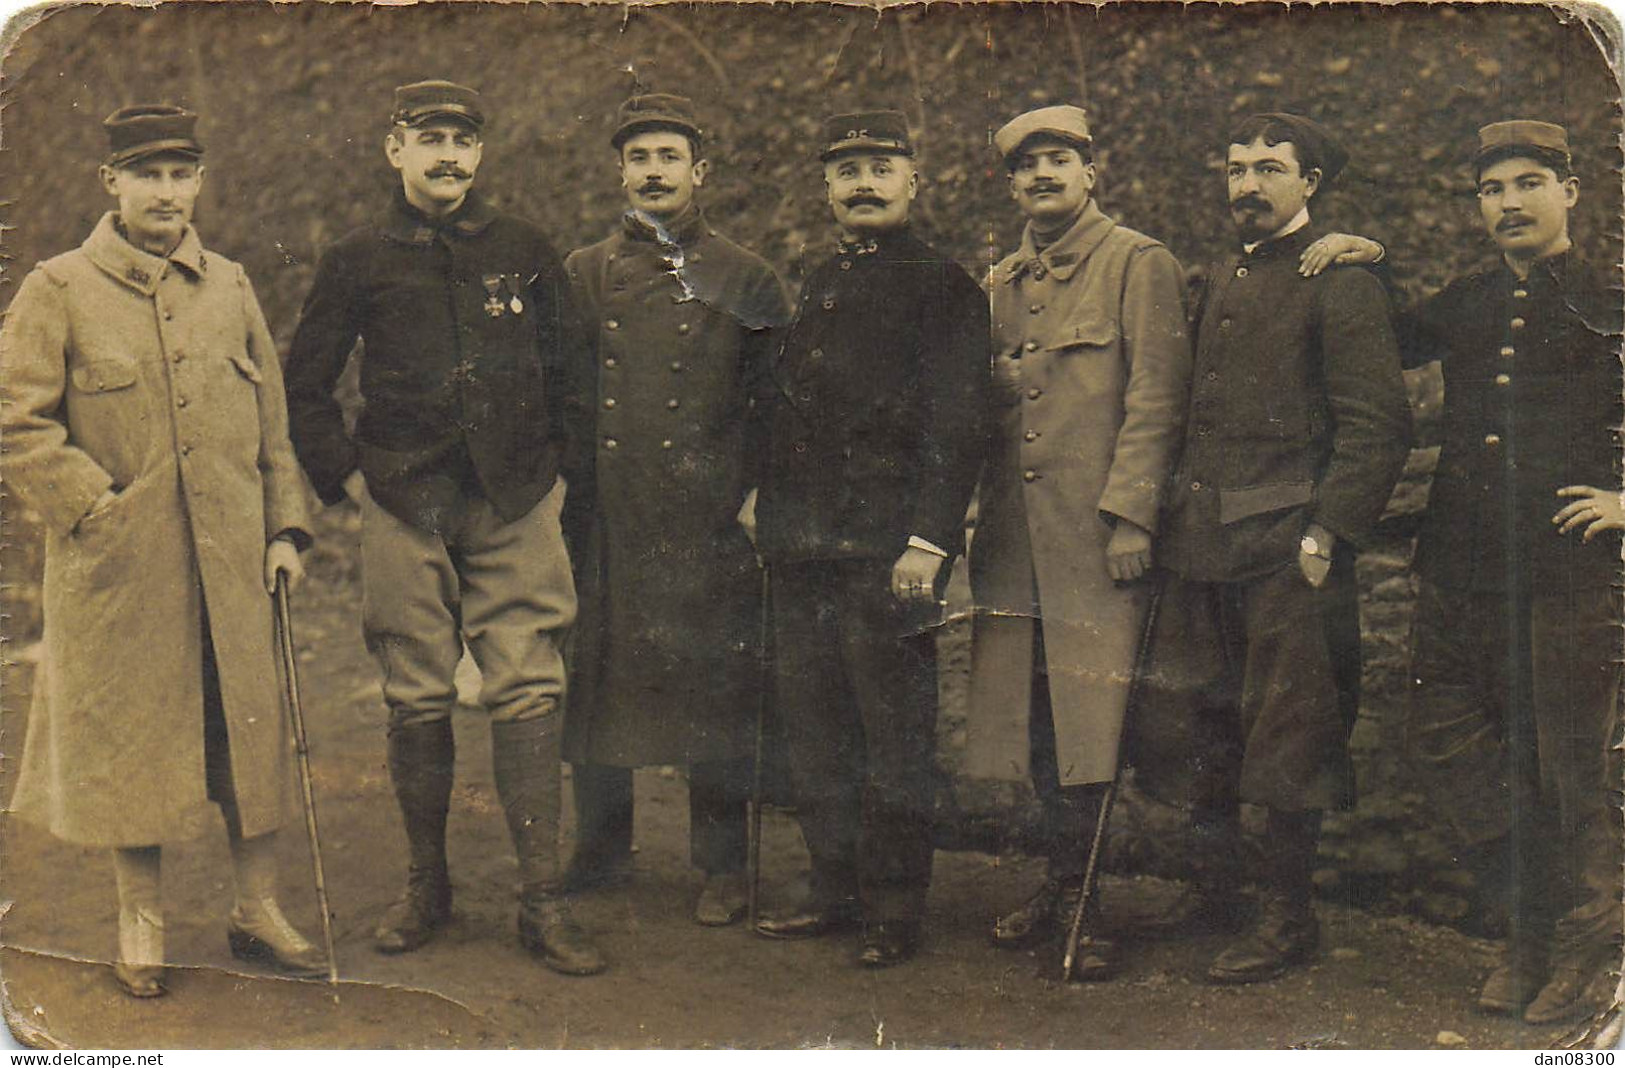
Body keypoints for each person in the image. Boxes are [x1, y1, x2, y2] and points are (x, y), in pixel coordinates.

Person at [1, 105, 325, 997]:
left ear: (199, 184)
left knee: (245, 733)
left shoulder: (230, 285)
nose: (167, 194)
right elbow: (15, 423)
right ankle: (138, 922)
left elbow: (272, 425)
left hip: (233, 562)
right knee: (131, 738)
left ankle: (256, 907)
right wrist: (94, 509)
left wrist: (285, 530)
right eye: (148, 175)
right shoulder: (58, 288)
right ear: (112, 182)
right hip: (119, 568)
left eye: (183, 175)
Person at [283, 80, 602, 976]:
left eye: (463, 140)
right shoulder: (355, 258)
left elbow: (574, 370)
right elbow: (304, 381)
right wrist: (344, 477)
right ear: (395, 149)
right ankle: (428, 886)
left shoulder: (525, 250)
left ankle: (541, 903)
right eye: (430, 139)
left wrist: (559, 478)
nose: (449, 156)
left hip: (514, 497)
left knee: (530, 684)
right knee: (415, 690)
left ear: (481, 154)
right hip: (402, 498)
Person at [1319, 122, 1621, 1024]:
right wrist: (1356, 260)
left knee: (1564, 764)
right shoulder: (1467, 298)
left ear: (1569, 191)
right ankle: (1535, 925)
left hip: (1567, 572)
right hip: (1457, 566)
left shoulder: (1610, 296)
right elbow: (1379, 344)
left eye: (1529, 182)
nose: (1509, 203)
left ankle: (1585, 947)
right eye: (1491, 189)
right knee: (1448, 746)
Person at [1130, 112, 1411, 984]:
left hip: (1292, 551)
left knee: (1291, 734)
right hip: (1203, 543)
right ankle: (1216, 889)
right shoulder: (1215, 277)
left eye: (1268, 169)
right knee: (1202, 721)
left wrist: (1327, 530)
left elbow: (1378, 426)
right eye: (1234, 167)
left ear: (1310, 184)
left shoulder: (1340, 280)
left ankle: (1287, 918)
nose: (1247, 185)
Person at [751, 110, 991, 968]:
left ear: (912, 181)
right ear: (825, 187)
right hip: (806, 545)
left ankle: (894, 905)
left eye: (880, 166)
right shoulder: (821, 278)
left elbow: (958, 422)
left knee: (892, 734)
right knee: (814, 728)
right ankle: (834, 886)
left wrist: (929, 539)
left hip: (888, 551)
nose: (862, 182)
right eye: (846, 168)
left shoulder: (943, 284)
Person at [964, 105, 1190, 979]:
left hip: (1098, 543)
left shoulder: (1138, 263)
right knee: (1037, 719)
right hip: (1018, 547)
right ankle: (1061, 882)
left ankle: (1089, 902)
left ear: (1091, 171)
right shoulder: (1000, 280)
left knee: (1097, 720)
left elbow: (1158, 399)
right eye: (1027, 168)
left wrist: (1132, 514)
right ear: (1012, 184)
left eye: (1059, 160)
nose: (1044, 177)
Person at [560, 93, 789, 925]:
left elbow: (773, 406)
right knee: (598, 674)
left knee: (714, 684)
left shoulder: (744, 275)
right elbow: (560, 393)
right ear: (619, 172)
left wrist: (755, 496)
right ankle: (600, 843)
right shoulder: (582, 272)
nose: (652, 172)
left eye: (668, 157)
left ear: (699, 172)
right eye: (638, 158)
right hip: (606, 512)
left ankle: (723, 862)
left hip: (704, 515)